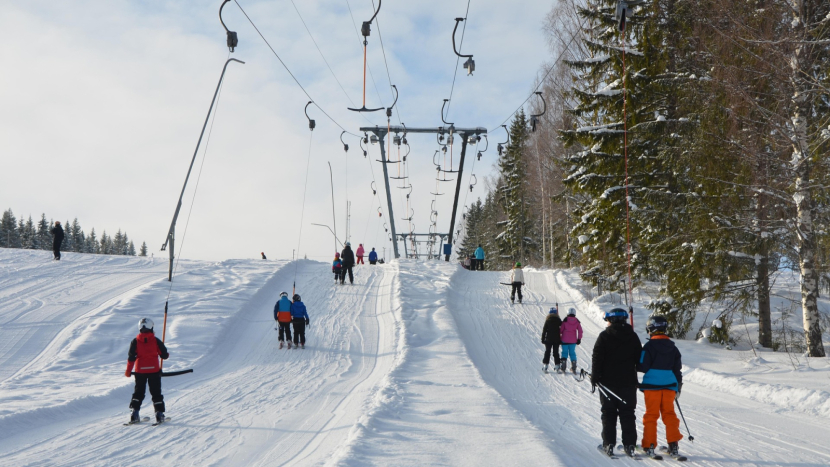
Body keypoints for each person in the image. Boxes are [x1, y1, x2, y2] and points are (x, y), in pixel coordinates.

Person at [591, 308, 643, 458]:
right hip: (628, 383)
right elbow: (639, 361)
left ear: (611, 320)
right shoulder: (633, 336)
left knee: (609, 413)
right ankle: (630, 445)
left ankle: (608, 445)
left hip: (607, 384)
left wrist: (595, 377)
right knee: (628, 414)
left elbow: (597, 358)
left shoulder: (604, 336)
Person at [638, 315, 684, 458]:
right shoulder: (673, 347)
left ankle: (649, 445)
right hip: (670, 386)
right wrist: (678, 386)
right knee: (669, 415)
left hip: (652, 386)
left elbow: (642, 366)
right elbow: (677, 369)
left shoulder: (648, 346)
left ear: (650, 329)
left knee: (651, 415)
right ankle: (673, 446)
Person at [125, 317, 169, 424]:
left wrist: (128, 371)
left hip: (140, 372)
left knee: (138, 392)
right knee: (156, 393)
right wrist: (163, 353)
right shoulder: (156, 341)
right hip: (154, 371)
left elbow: (131, 358)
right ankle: (159, 414)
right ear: (151, 327)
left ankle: (134, 414)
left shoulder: (135, 342)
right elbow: (164, 355)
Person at [560, 307, 584, 374]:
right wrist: (579, 339)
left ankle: (563, 367)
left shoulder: (565, 320)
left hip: (564, 340)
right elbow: (580, 331)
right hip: (573, 341)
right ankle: (573, 367)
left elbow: (561, 330)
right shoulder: (577, 321)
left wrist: (560, 337)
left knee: (564, 352)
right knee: (572, 353)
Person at [541, 306, 562, 373]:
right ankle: (557, 366)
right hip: (556, 339)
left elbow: (544, 330)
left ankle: (545, 366)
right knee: (556, 353)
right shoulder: (558, 320)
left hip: (548, 339)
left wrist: (543, 338)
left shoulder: (547, 321)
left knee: (547, 352)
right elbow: (561, 329)